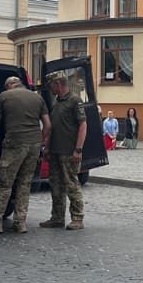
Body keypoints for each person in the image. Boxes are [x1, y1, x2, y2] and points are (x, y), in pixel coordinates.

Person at [0, 76, 50, 234]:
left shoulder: (4, 96)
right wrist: (41, 141)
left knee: (5, 184)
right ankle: (20, 223)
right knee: (24, 184)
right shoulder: (37, 98)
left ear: (8, 86)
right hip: (33, 144)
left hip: (14, 143)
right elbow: (48, 124)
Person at [40, 71, 87, 231]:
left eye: (51, 85)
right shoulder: (57, 102)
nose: (50, 88)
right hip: (55, 151)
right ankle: (57, 217)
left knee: (71, 184)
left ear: (58, 84)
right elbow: (52, 128)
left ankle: (77, 218)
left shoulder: (74, 100)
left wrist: (78, 149)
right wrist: (47, 146)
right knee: (56, 185)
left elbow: (83, 125)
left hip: (69, 151)